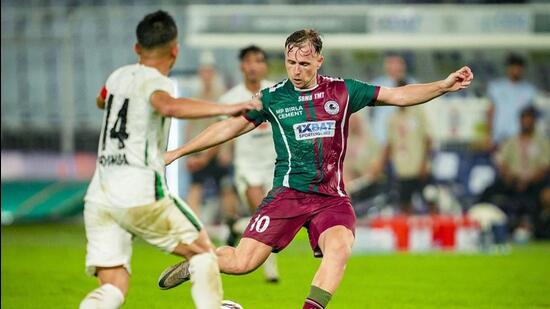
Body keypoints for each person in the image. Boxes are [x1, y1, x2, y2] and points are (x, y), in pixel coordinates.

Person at [159, 29, 473, 309]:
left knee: (339, 248)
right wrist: (178, 151)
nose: (296, 70)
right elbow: (228, 128)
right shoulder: (273, 98)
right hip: (288, 194)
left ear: (319, 61)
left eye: (304, 64)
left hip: (331, 199)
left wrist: (443, 86)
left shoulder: (343, 91)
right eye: (291, 63)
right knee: (243, 262)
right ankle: (202, 261)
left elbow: (398, 95)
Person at [80, 11, 259, 309]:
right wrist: (230, 107)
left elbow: (102, 100)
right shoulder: (158, 83)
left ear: (137, 48)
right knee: (203, 253)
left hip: (99, 196)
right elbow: (168, 106)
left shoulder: (117, 77)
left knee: (113, 286)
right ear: (175, 50)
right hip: (139, 191)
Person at [217, 45, 280, 282]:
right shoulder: (230, 99)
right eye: (249, 61)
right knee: (263, 213)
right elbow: (223, 132)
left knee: (268, 218)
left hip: (276, 165)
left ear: (265, 66)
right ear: (242, 66)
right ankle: (271, 271)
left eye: (259, 61)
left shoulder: (276, 91)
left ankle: (234, 227)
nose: (254, 66)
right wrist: (211, 155)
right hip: (248, 167)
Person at [184, 51, 238, 220]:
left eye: (209, 72)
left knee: (226, 188)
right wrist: (187, 150)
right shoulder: (196, 96)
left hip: (219, 149)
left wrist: (228, 150)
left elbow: (229, 125)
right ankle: (194, 227)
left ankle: (231, 226)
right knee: (195, 186)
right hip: (200, 148)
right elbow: (190, 124)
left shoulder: (222, 96)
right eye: (203, 72)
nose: (206, 75)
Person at [481, 106, 550, 238]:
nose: (526, 122)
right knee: (488, 191)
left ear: (534, 121)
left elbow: (545, 166)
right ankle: (483, 225)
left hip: (535, 183)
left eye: (529, 119)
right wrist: (511, 177)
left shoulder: (542, 142)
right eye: (524, 119)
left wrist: (529, 180)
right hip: (513, 181)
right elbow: (501, 162)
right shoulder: (511, 141)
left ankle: (539, 231)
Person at [382, 80, 432, 214]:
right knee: (404, 204)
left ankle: (435, 232)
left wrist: (425, 163)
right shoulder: (392, 118)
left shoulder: (418, 112)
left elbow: (428, 139)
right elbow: (390, 143)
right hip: (402, 170)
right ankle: (407, 234)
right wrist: (382, 164)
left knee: (430, 199)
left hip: (419, 168)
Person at [487, 53, 537, 146]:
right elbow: (490, 112)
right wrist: (489, 136)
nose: (516, 70)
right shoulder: (496, 87)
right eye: (513, 67)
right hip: (500, 137)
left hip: (519, 138)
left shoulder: (529, 90)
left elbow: (530, 117)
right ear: (508, 68)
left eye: (519, 67)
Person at [370, 53, 418, 145]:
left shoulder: (413, 84)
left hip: (407, 142)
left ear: (403, 65)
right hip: (381, 141)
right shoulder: (376, 84)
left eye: (397, 63)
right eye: (391, 63)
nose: (394, 67)